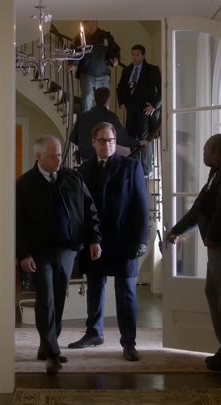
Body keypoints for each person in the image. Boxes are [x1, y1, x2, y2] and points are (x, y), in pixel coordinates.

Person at [15, 136, 103, 376]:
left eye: (59, 154)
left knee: (59, 298)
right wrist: (22, 255)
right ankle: (52, 354)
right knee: (46, 299)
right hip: (38, 253)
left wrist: (94, 239)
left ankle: (47, 345)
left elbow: (90, 210)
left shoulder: (73, 178)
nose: (58, 160)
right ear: (38, 157)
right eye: (53, 156)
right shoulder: (24, 184)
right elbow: (17, 223)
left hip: (67, 250)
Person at [68, 122, 149, 362]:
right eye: (102, 140)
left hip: (124, 240)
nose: (107, 145)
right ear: (94, 142)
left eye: (111, 140)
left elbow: (141, 206)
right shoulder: (84, 169)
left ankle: (129, 343)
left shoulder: (131, 166)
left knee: (126, 293)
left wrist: (141, 240)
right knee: (94, 287)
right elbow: (81, 208)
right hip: (95, 240)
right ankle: (94, 333)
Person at [166, 133, 221, 372]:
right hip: (215, 247)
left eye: (204, 149)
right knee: (213, 292)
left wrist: (212, 236)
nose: (202, 153)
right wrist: (176, 230)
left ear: (212, 148)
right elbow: (198, 209)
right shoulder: (214, 174)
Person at [69, 87, 147, 162]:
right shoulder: (111, 117)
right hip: (102, 156)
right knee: (130, 156)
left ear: (95, 99)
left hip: (85, 156)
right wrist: (138, 143)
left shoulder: (83, 116)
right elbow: (122, 139)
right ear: (107, 100)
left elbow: (72, 137)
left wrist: (85, 144)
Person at [117, 44, 162, 175]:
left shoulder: (152, 70)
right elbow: (120, 88)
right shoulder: (127, 70)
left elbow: (161, 90)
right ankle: (136, 168)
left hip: (145, 109)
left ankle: (146, 169)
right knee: (131, 137)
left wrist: (154, 105)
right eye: (133, 54)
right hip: (131, 110)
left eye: (137, 55)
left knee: (144, 138)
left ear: (143, 55)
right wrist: (122, 103)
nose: (135, 57)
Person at [67, 21, 121, 113]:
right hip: (87, 74)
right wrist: (72, 63)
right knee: (87, 97)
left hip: (103, 74)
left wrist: (116, 59)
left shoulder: (105, 36)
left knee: (104, 100)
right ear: (85, 25)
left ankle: (104, 120)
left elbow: (115, 50)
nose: (92, 26)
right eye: (89, 24)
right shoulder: (80, 37)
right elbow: (74, 52)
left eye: (94, 23)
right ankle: (86, 119)